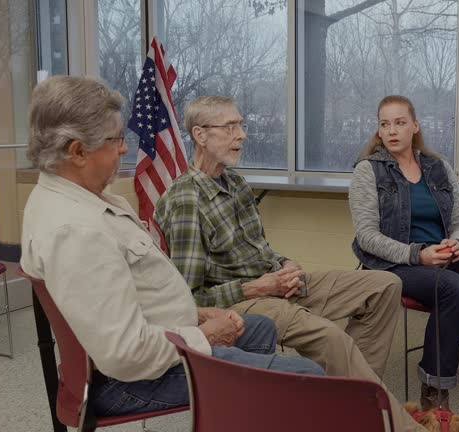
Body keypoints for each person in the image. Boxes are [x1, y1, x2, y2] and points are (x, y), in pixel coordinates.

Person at [20, 77, 323, 418]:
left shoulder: (79, 199)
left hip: (151, 344)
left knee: (259, 327)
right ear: (77, 151)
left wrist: (193, 315)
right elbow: (125, 354)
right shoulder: (75, 232)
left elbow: (124, 298)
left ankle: (242, 412)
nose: (124, 148)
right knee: (308, 378)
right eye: (116, 139)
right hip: (132, 379)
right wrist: (202, 337)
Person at [153, 96, 425, 431]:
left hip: (274, 283)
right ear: (200, 135)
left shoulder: (234, 182)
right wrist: (257, 287)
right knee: (330, 337)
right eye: (231, 127)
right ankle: (398, 426)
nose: (242, 135)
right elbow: (188, 299)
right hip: (244, 301)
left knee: (385, 285)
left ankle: (350, 410)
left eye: (241, 125)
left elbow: (259, 248)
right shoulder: (186, 201)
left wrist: (285, 263)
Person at [348, 95, 459, 411]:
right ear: (379, 131)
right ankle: (434, 388)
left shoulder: (438, 167)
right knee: (454, 289)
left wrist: (457, 245)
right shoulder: (368, 171)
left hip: (444, 257)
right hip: (395, 263)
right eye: (385, 124)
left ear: (415, 126)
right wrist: (419, 254)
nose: (392, 130)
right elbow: (367, 237)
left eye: (400, 122)